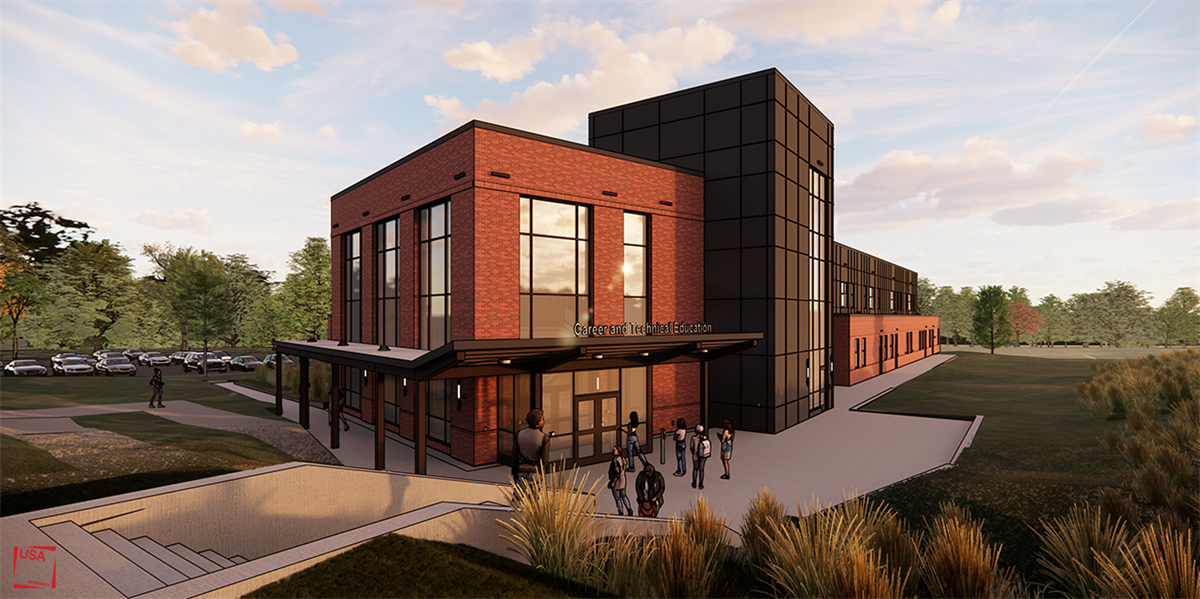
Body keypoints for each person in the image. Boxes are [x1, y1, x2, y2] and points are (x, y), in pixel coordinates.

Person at [511, 408, 549, 491]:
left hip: (521, 470)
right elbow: (544, 460)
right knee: (534, 501)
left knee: (517, 498)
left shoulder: (519, 435)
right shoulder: (544, 438)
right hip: (536, 472)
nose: (543, 421)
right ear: (538, 422)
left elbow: (514, 456)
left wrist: (514, 471)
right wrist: (542, 473)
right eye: (542, 419)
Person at [607, 445, 632, 516]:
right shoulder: (622, 459)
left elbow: (617, 472)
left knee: (617, 498)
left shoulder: (616, 460)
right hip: (623, 479)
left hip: (617, 481)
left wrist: (613, 482)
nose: (613, 451)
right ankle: (629, 509)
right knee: (623, 495)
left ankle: (621, 512)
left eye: (614, 450)